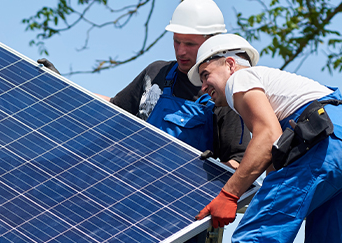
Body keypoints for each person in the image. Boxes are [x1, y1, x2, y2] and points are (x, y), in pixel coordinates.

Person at [191, 34, 342, 243]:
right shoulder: (278, 89)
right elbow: (276, 154)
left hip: (324, 142)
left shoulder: (240, 80)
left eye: (205, 74)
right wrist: (244, 173)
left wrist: (230, 194)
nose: (203, 86)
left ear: (230, 64)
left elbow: (268, 135)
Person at [107, 0, 250, 169]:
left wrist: (203, 179)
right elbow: (114, 109)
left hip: (180, 192)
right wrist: (70, 94)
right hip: (126, 178)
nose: (180, 51)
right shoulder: (155, 72)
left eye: (190, 44)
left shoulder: (223, 94)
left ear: (212, 43)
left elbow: (238, 162)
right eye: (176, 41)